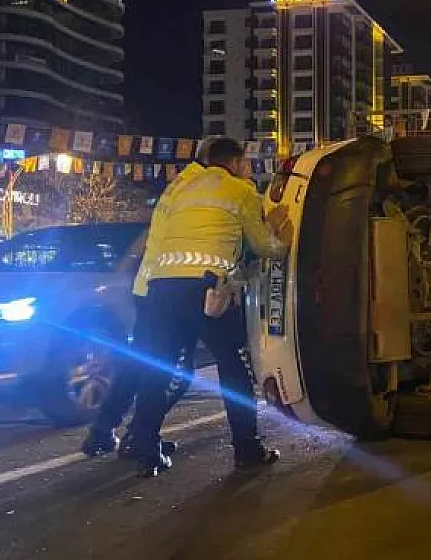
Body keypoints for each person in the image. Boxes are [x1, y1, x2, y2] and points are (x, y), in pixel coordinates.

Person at [128, 137, 291, 477]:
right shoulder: (239, 190)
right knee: (233, 367)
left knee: (158, 370)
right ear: (233, 162)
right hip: (206, 290)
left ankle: (143, 448)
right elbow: (264, 247)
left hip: (160, 286)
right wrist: (283, 239)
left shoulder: (181, 189)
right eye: (244, 162)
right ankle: (247, 449)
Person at [80, 139, 223, 459]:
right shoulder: (199, 191)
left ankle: (102, 431)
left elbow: (142, 245)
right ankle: (139, 438)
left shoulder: (176, 191)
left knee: (139, 364)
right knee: (173, 372)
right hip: (162, 292)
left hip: (147, 289)